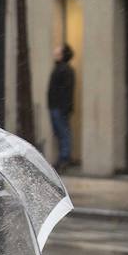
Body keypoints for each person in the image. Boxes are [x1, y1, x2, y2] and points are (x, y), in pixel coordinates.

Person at [47, 44, 76, 173]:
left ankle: (64, 158)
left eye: (58, 50)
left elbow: (66, 91)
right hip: (56, 106)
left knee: (63, 133)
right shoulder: (60, 68)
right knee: (61, 133)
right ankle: (63, 158)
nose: (55, 50)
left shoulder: (64, 70)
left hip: (59, 107)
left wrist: (63, 107)